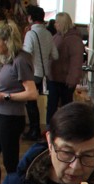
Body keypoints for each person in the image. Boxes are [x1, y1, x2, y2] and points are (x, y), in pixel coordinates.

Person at [0, 20, 38, 184]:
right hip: (1, 115)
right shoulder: (10, 59)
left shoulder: (21, 60)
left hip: (11, 118)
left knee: (10, 162)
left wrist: (4, 96)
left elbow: (32, 93)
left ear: (7, 41)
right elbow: (11, 84)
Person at [22, 5, 57, 141]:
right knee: (32, 101)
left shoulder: (31, 34)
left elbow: (27, 52)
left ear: (30, 17)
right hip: (44, 72)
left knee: (30, 102)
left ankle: (34, 130)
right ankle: (34, 129)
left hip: (32, 71)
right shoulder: (48, 34)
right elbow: (55, 55)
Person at [47, 13, 83, 126]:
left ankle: (66, 127)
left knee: (66, 107)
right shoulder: (56, 37)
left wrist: (73, 79)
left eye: (57, 22)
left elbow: (76, 62)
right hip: (54, 78)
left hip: (66, 80)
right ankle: (50, 127)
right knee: (51, 105)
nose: (55, 24)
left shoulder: (74, 40)